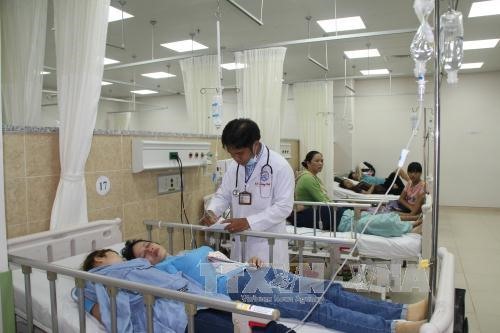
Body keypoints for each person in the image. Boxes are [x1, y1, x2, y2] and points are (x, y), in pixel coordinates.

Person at [117, 240, 428, 333]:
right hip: (239, 287)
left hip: (254, 273)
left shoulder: (190, 251)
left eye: (147, 244)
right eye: (142, 255)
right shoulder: (164, 272)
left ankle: (401, 308)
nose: (149, 250)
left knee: (327, 289)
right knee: (314, 307)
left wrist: (248, 261)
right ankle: (390, 327)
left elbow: (221, 260)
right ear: (142, 265)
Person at [80, 249, 290, 333]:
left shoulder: (133, 267)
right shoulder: (93, 281)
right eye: (114, 254)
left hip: (196, 300)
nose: (121, 259)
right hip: (179, 313)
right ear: (99, 259)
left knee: (256, 321)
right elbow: (110, 312)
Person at [201, 118, 295, 268]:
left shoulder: (279, 166)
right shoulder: (234, 167)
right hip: (240, 245)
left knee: (268, 289)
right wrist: (212, 211)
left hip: (268, 245)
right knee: (239, 286)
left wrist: (248, 222)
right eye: (232, 154)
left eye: (240, 153)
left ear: (255, 145)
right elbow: (223, 195)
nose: (236, 159)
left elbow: (284, 207)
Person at [290, 151, 335, 230]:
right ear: (308, 163)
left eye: (322, 161)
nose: (320, 163)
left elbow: (324, 198)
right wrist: (336, 206)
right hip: (305, 215)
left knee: (345, 211)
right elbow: (322, 200)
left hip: (312, 212)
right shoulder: (307, 178)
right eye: (317, 161)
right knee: (340, 211)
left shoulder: (314, 177)